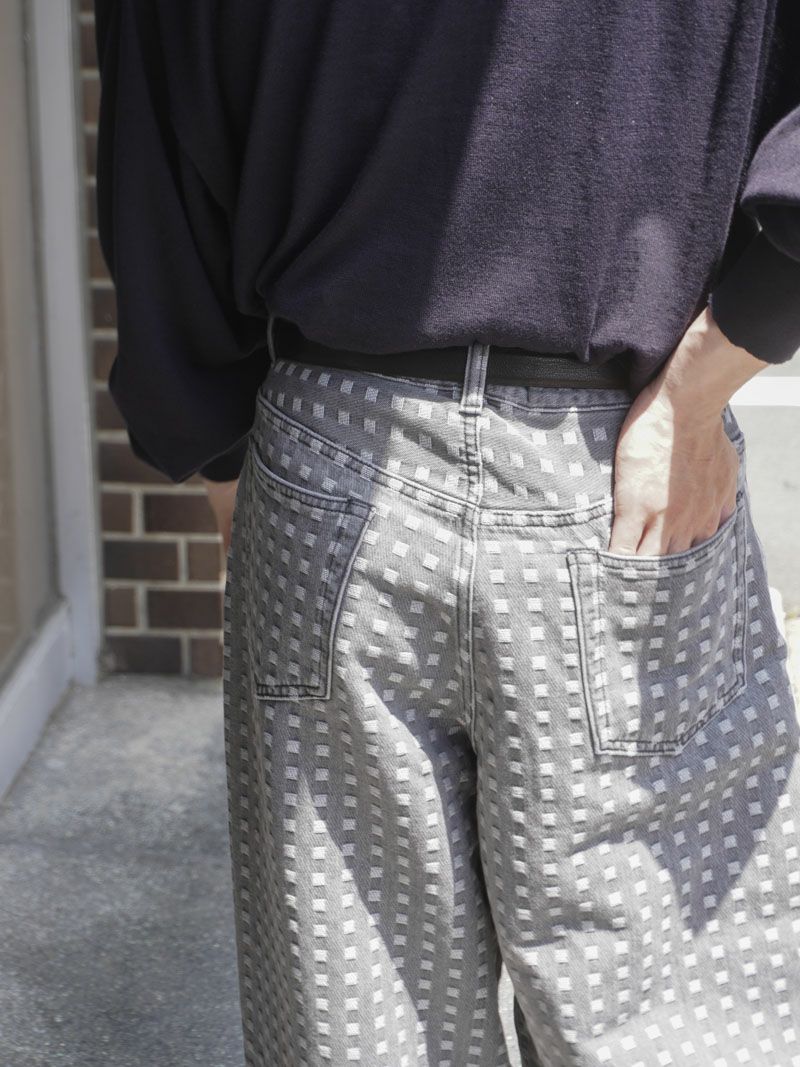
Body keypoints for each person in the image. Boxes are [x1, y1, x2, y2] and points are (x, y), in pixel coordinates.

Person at [93, 2, 800, 1064]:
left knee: (355, 1025)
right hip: (620, 457)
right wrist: (710, 376)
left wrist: (216, 441)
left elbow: (158, 129)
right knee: (668, 1018)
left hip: (333, 452)